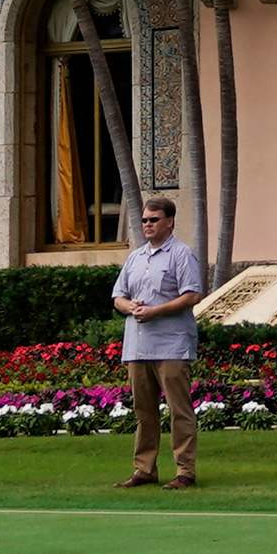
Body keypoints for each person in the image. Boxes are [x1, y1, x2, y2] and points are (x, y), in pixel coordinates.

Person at [110, 194, 208, 488]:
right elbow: (118, 297)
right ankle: (144, 469)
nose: (148, 225)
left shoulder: (181, 254)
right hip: (137, 346)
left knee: (179, 410)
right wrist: (130, 307)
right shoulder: (136, 257)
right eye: (144, 220)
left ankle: (185, 471)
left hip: (172, 345)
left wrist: (155, 311)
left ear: (170, 222)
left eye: (154, 220)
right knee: (144, 411)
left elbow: (192, 295)